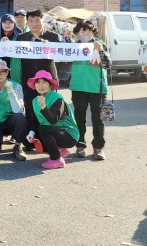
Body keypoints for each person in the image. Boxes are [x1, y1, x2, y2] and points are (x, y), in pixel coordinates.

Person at [8, 9, 64, 149]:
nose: (34, 23)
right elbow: (12, 51)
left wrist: (50, 47)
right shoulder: (21, 38)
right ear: (27, 22)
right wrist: (5, 43)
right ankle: (30, 140)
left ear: (43, 21)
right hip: (29, 78)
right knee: (30, 107)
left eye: (37, 20)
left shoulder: (53, 37)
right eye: (31, 20)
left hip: (48, 79)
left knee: (49, 108)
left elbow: (62, 54)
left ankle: (49, 140)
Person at [70, 20, 111, 160]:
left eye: (89, 31)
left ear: (93, 33)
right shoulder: (72, 47)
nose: (86, 34)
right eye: (83, 31)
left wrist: (101, 51)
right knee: (79, 117)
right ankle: (80, 145)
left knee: (98, 119)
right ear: (77, 33)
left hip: (97, 88)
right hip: (78, 87)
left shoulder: (100, 45)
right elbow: (57, 56)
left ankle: (98, 147)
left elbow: (108, 64)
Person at [28, 70, 79, 169]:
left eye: (44, 82)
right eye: (38, 82)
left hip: (69, 135)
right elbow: (35, 120)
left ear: (50, 85)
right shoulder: (35, 100)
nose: (41, 85)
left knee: (43, 129)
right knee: (35, 135)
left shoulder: (57, 98)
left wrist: (43, 106)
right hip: (54, 131)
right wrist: (31, 132)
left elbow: (53, 120)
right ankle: (61, 151)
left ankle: (56, 159)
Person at [0, 60, 27, 161]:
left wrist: (11, 92)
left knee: (20, 117)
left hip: (9, 121)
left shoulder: (16, 86)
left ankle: (18, 146)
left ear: (7, 72)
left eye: (2, 72)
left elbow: (18, 110)